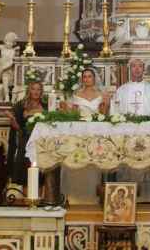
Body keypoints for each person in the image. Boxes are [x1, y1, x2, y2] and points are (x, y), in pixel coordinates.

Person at [111, 58, 150, 201]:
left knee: (146, 167)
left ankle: (148, 198)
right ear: (130, 69)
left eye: (140, 66)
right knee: (127, 167)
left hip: (147, 135)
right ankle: (126, 198)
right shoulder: (122, 90)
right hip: (126, 135)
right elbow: (114, 113)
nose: (137, 69)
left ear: (144, 69)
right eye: (134, 66)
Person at [61, 68, 110, 204]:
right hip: (79, 132)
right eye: (85, 77)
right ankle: (74, 197)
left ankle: (92, 197)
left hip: (95, 131)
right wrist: (67, 108)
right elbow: (73, 115)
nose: (87, 79)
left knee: (93, 163)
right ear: (82, 79)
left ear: (94, 79)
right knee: (78, 160)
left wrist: (105, 105)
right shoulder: (76, 94)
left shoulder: (101, 94)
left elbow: (104, 115)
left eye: (89, 76)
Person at [6, 81, 46, 186]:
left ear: (41, 91)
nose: (36, 92)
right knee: (25, 172)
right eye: (33, 89)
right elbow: (17, 127)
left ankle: (41, 198)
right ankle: (25, 199)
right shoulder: (21, 105)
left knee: (40, 174)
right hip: (25, 141)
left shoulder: (46, 105)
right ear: (29, 90)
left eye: (38, 89)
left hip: (41, 143)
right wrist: (12, 120)